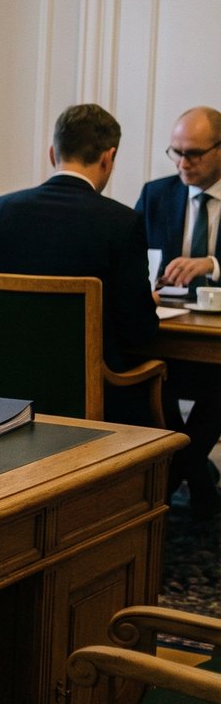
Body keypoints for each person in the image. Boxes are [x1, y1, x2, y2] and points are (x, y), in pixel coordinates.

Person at [0, 103, 158, 422]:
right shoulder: (122, 222)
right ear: (108, 157)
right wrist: (144, 303)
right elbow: (137, 332)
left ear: (53, 153)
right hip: (88, 395)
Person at [135, 106, 221, 518]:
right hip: (166, 330)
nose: (183, 163)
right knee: (149, 374)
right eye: (177, 152)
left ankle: (177, 475)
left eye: (195, 154)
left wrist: (213, 264)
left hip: (216, 341)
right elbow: (131, 260)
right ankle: (197, 472)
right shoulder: (156, 194)